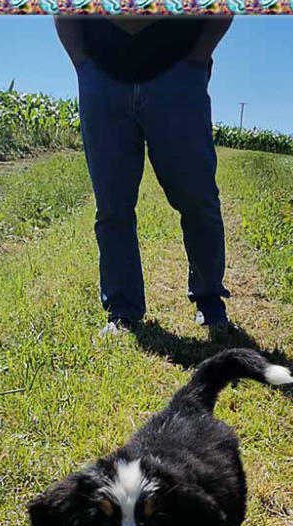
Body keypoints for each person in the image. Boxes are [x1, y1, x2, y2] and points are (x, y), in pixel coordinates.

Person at [54, 14, 234, 336]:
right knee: (112, 206)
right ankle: (122, 310)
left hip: (177, 74)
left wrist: (196, 58)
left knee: (197, 198)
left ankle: (210, 300)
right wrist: (83, 63)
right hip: (103, 76)